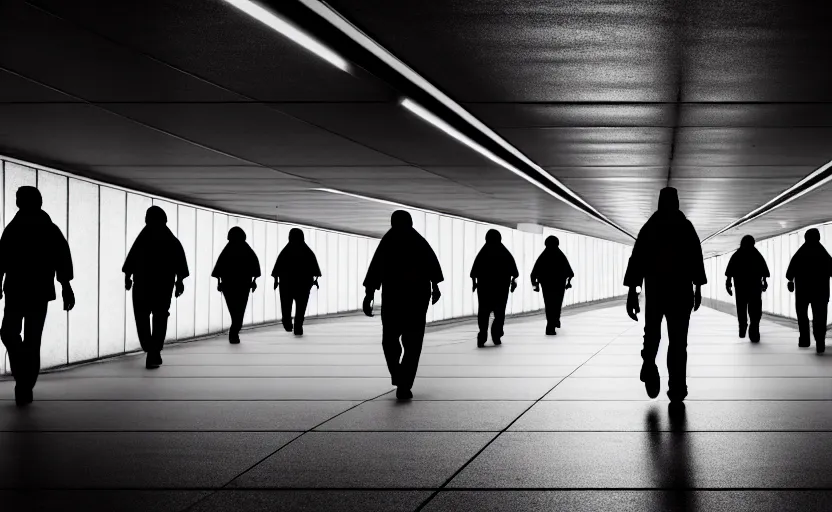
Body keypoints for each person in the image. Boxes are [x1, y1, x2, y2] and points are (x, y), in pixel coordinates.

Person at [624, 187, 706, 405]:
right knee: (678, 342)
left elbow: (637, 260)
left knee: (652, 333)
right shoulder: (686, 227)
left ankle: (649, 362)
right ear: (677, 202)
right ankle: (677, 388)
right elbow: (696, 258)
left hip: (656, 290)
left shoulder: (650, 227)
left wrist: (632, 292)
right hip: (681, 292)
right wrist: (698, 288)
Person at [0, 186, 74, 406]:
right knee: (32, 339)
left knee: (9, 333)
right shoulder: (49, 229)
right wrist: (65, 286)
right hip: (39, 291)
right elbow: (62, 258)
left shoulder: (14, 228)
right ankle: (25, 382)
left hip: (16, 289)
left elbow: (2, 257)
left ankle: (23, 380)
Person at [363, 210, 443, 399]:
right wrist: (435, 287)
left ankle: (398, 375)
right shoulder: (419, 241)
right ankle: (404, 383)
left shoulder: (388, 241)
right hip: (417, 298)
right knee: (413, 342)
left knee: (389, 340)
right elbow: (432, 265)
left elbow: (376, 268)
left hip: (393, 298)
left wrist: (369, 295)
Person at [123, 206, 189, 370]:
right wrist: (179, 281)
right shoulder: (171, 240)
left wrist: (128, 277)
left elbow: (132, 258)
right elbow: (180, 263)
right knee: (160, 317)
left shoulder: (142, 239)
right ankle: (154, 351)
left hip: (142, 285)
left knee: (142, 317)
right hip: (163, 286)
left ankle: (150, 348)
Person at [786, 228, 832, 353]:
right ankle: (820, 341)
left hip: (802, 291)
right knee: (820, 316)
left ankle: (804, 340)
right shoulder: (823, 253)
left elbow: (789, 273)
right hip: (821, 291)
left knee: (802, 315)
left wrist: (790, 281)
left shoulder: (800, 252)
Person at [212, 227, 260, 344]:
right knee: (240, 309)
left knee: (233, 309)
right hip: (244, 284)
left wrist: (219, 281)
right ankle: (234, 332)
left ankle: (234, 331)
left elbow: (219, 266)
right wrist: (253, 281)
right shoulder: (247, 249)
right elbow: (255, 265)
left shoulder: (227, 250)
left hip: (228, 284)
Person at [470, 229, 518, 347]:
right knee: (499, 312)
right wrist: (513, 283)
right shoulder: (504, 252)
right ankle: (496, 334)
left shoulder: (483, 252)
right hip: (501, 288)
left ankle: (482, 335)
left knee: (483, 312)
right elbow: (514, 272)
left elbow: (474, 271)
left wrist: (474, 284)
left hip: (484, 288)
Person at [272, 228, 320, 336]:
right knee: (301, 307)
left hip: (286, 284)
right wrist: (314, 280)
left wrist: (275, 280)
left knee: (286, 305)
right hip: (303, 285)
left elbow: (278, 267)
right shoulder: (307, 251)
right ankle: (298, 327)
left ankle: (287, 323)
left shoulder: (286, 251)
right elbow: (315, 269)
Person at [725, 235, 769, 342]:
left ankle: (743, 327)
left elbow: (729, 272)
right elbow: (764, 270)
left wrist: (728, 283)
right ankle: (754, 331)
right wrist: (764, 281)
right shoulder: (756, 255)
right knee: (755, 310)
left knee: (741, 308)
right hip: (754, 287)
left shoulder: (737, 255)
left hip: (740, 287)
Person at [531, 235, 574, 335]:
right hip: (559, 284)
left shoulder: (543, 256)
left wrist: (535, 285)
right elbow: (570, 272)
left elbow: (534, 273)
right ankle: (555, 321)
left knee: (549, 304)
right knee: (557, 304)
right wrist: (568, 282)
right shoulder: (560, 255)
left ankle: (550, 325)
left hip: (546, 285)